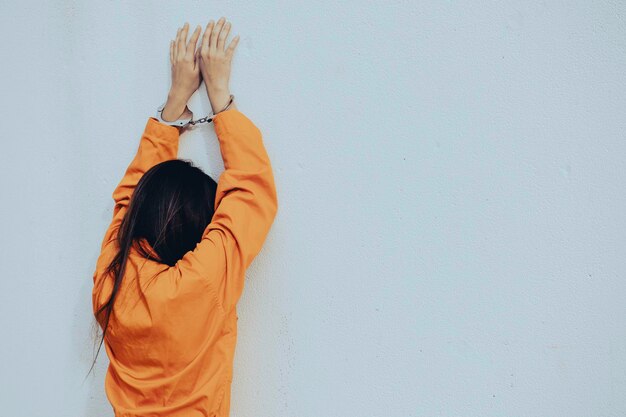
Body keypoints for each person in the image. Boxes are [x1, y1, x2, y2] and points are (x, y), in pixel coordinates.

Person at [89, 17, 278, 417]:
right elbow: (248, 193)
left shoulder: (111, 278)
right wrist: (219, 96)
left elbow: (127, 204)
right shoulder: (197, 282)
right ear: (198, 231)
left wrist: (176, 101)